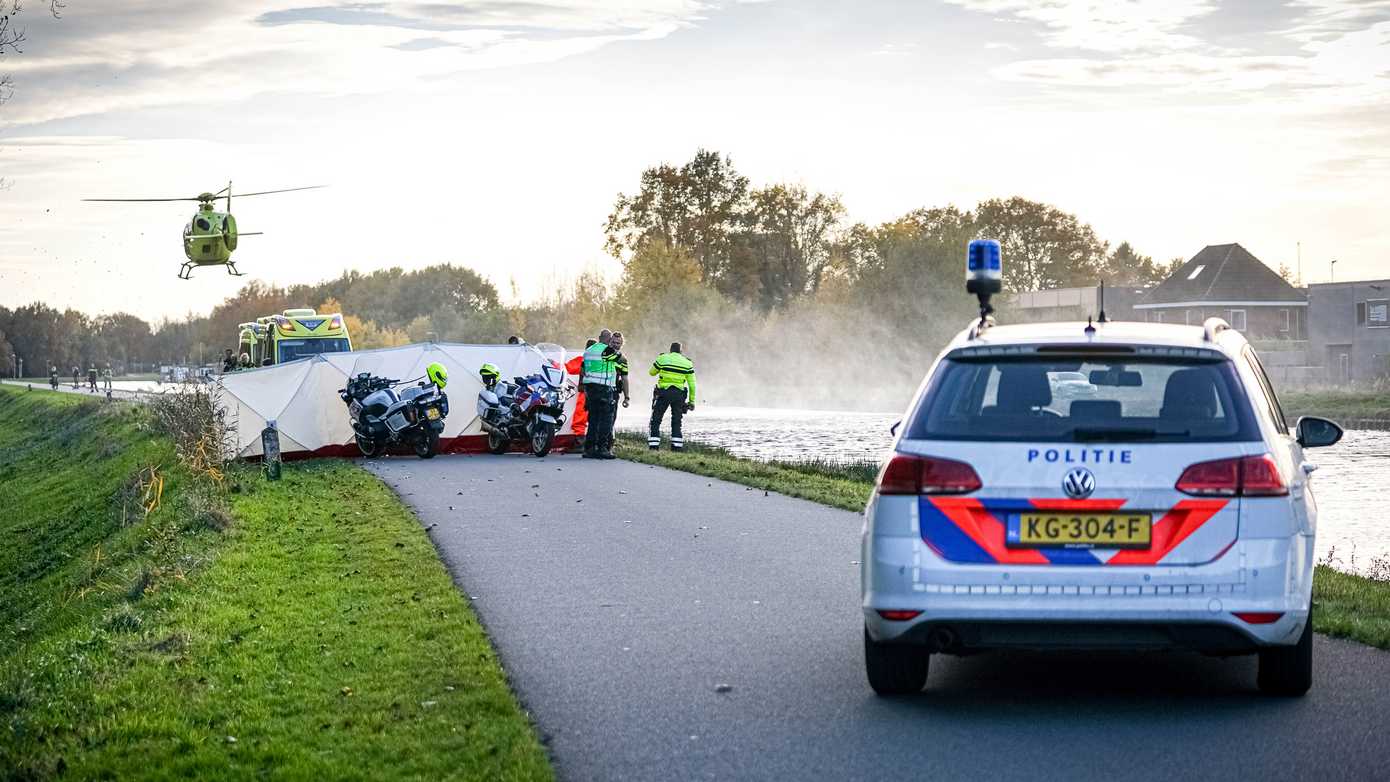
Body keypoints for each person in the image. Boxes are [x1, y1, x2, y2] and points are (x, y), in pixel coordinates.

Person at [580, 329, 621, 459]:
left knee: (593, 418)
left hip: (590, 389)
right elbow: (620, 358)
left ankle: (589, 449)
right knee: (606, 419)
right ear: (609, 340)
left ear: (599, 337)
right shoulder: (607, 351)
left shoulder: (588, 351)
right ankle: (602, 448)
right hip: (604, 387)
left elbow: (583, 369)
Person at [649, 342, 696, 451]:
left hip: (663, 393)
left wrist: (659, 358)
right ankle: (676, 448)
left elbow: (651, 372)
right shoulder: (687, 363)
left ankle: (654, 447)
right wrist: (692, 401)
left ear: (670, 350)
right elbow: (692, 384)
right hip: (679, 395)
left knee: (656, 419)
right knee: (676, 421)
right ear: (681, 351)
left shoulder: (663, 358)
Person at [564, 339, 596, 450]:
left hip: (586, 392)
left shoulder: (583, 359)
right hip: (601, 392)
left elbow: (567, 368)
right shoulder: (603, 360)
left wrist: (552, 363)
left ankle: (580, 442)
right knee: (597, 417)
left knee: (580, 417)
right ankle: (596, 443)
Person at [604, 331, 631, 453]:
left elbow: (625, 378)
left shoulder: (623, 359)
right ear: (610, 341)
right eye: (614, 342)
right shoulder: (604, 352)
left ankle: (607, 445)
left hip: (614, 391)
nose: (616, 345)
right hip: (601, 389)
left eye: (618, 343)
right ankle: (599, 445)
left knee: (611, 419)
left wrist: (627, 397)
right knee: (600, 418)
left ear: (622, 344)